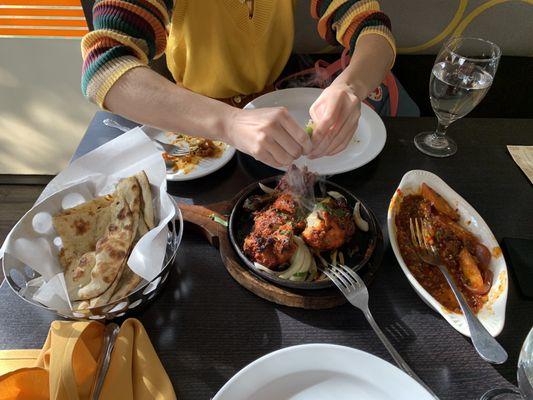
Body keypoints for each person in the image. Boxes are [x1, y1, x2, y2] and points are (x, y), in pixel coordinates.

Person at [81, 0, 396, 168]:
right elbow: (105, 67)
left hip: (277, 106)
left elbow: (373, 29)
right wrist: (231, 123)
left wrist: (351, 87)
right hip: (192, 121)